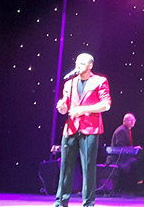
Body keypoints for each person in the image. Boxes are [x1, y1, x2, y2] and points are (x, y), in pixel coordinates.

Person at [54, 53, 112, 207]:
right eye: (77, 63)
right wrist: (61, 107)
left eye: (82, 64)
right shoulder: (70, 83)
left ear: (90, 65)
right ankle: (61, 201)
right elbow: (65, 108)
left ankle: (88, 203)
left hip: (90, 129)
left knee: (88, 168)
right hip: (71, 128)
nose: (78, 66)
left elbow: (106, 104)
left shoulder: (99, 81)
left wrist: (83, 109)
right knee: (65, 166)